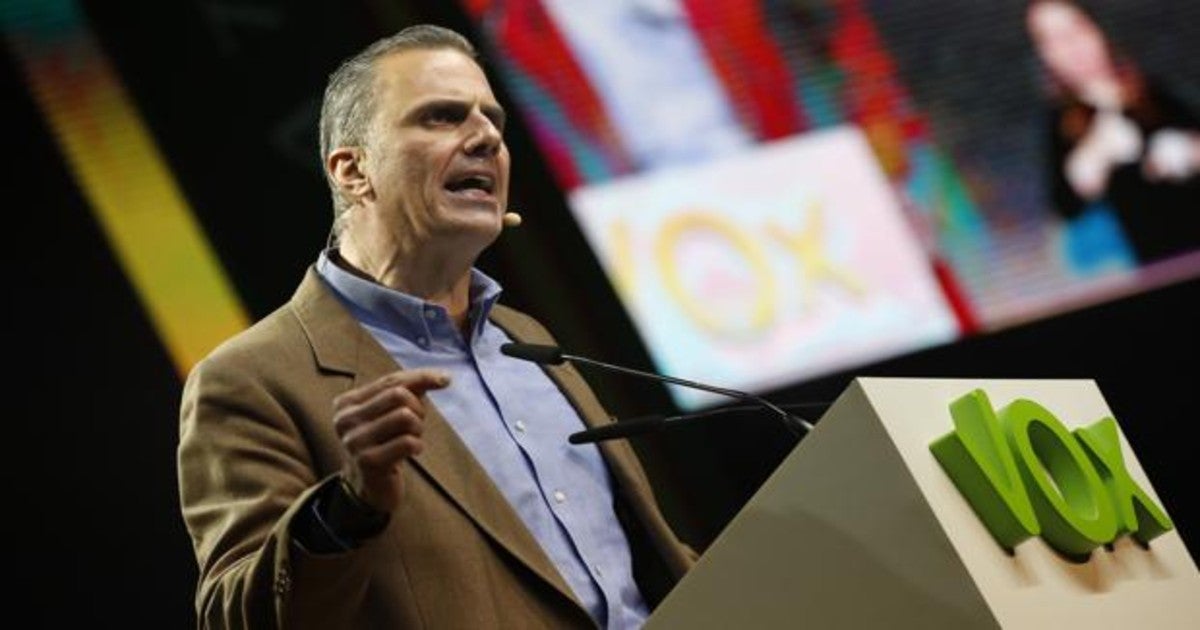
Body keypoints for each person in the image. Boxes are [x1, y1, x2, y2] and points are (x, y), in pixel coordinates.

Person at [177, 24, 695, 629]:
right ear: (352, 170)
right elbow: (238, 617)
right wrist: (347, 508)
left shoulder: (525, 339)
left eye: (493, 121)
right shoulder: (252, 381)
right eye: (443, 117)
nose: (487, 138)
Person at [1026, 0, 1200, 266]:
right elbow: (1064, 207)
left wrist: (1188, 149)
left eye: (1075, 29)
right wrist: (1092, 158)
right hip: (1159, 267)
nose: (1070, 46)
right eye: (1052, 39)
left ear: (1097, 28)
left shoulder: (1148, 89)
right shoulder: (1062, 122)